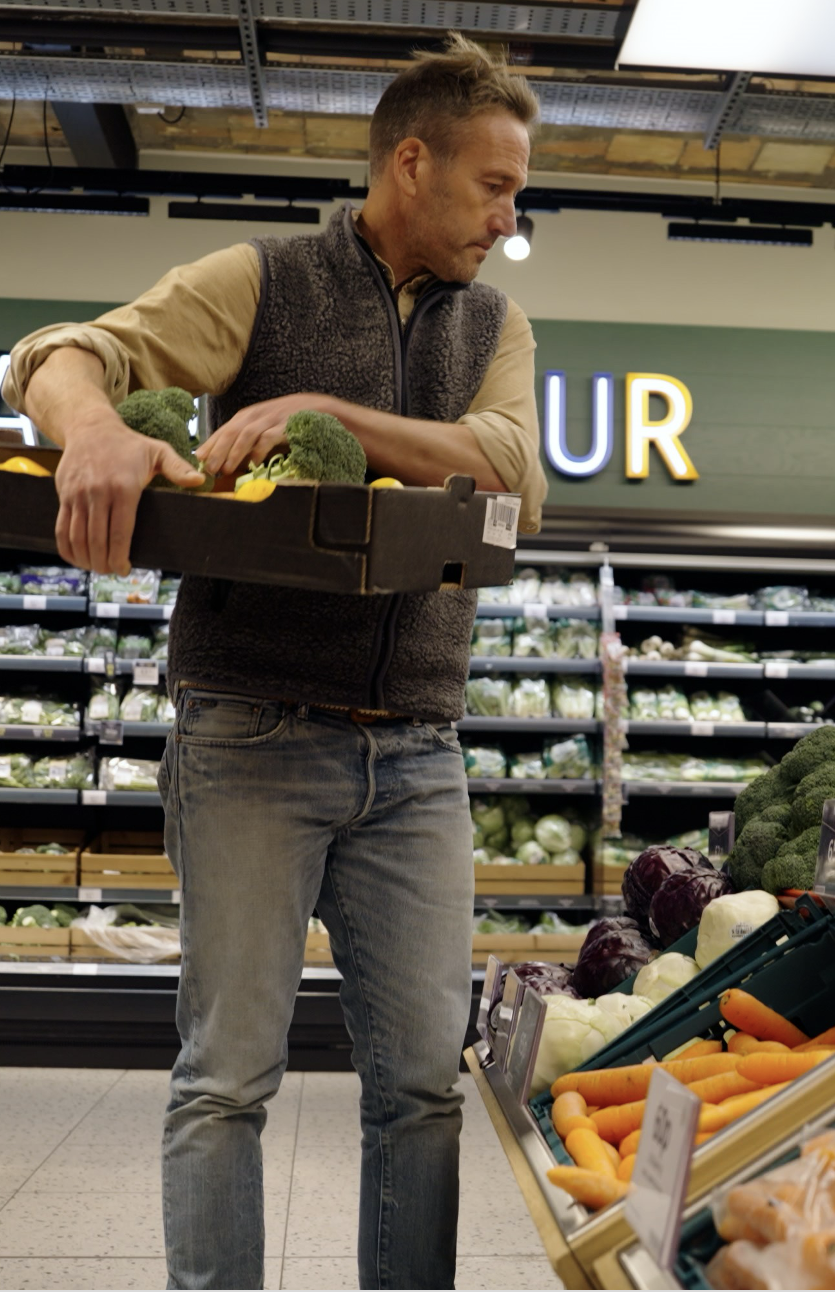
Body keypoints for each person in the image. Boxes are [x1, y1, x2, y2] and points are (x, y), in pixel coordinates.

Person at [3, 34, 546, 1291]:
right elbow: (61, 350)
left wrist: (337, 418)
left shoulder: (495, 322)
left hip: (417, 749)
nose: (510, 216)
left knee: (419, 1083)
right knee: (226, 1079)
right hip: (247, 733)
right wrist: (89, 428)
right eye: (494, 185)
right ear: (410, 162)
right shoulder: (262, 279)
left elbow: (511, 465)